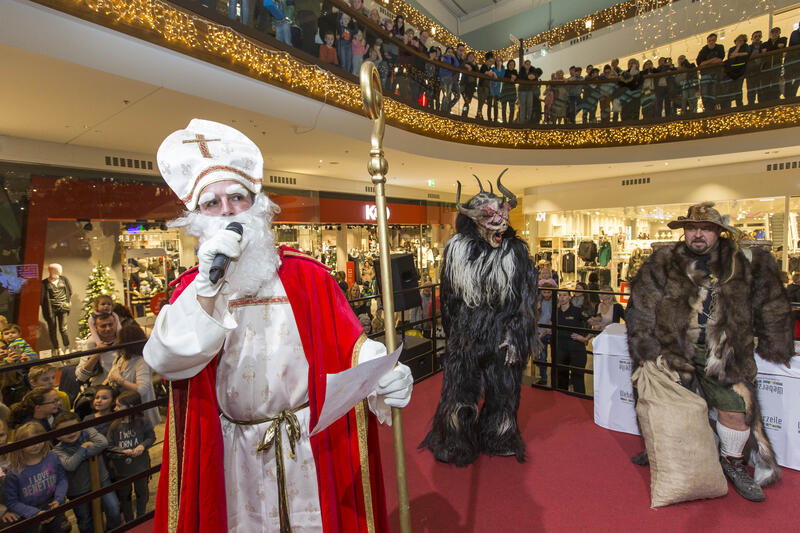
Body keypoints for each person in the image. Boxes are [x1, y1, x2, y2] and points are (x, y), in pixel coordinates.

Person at [144, 119, 412, 531]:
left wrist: (386, 371)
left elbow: (349, 344)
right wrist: (207, 285)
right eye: (211, 204)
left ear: (260, 205)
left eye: (238, 197)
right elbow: (167, 359)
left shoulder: (308, 276)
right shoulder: (191, 291)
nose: (228, 211)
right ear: (196, 218)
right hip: (234, 451)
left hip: (308, 442)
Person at [626, 202, 793, 502]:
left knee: (735, 409)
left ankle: (732, 462)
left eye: (705, 229)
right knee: (668, 405)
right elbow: (641, 304)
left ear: (719, 232)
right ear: (685, 232)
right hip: (673, 346)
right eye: (692, 228)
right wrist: (643, 345)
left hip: (724, 349)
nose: (697, 235)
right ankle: (663, 453)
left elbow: (770, 302)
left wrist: (774, 341)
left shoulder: (743, 261)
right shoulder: (663, 261)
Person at [421, 171, 537, 466]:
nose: (499, 230)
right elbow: (448, 301)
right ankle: (456, 440)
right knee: (460, 392)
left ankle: (499, 435)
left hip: (503, 332)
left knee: (504, 391)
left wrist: (517, 336)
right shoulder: (457, 251)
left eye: (502, 222)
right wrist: (456, 339)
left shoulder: (516, 253)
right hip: (467, 334)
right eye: (490, 222)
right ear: (474, 222)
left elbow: (525, 300)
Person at [52, 411, 121, 533]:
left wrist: (78, 456)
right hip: (78, 490)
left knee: (114, 509)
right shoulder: (57, 451)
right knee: (85, 521)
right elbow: (70, 465)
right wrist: (83, 449)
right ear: (57, 435)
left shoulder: (88, 432)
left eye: (74, 427)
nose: (71, 432)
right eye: (65, 431)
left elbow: (103, 443)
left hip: (102, 481)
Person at [3, 421, 68, 532]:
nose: (36, 445)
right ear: (19, 444)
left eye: (39, 440)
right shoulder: (14, 471)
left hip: (52, 505)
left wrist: (58, 499)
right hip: (27, 512)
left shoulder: (52, 457)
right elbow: (11, 501)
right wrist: (35, 513)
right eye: (30, 443)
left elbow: (62, 479)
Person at [106, 391, 154, 523]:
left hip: (140, 466)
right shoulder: (114, 425)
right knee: (124, 496)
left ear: (131, 406)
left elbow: (151, 437)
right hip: (122, 470)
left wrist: (142, 446)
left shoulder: (143, 421)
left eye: (118, 406)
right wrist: (122, 451)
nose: (115, 409)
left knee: (142, 493)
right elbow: (109, 446)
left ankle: (141, 517)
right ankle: (129, 521)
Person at [105, 324, 160, 428]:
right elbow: (110, 378)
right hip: (124, 410)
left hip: (139, 413)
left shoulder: (141, 362)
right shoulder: (121, 359)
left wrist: (120, 380)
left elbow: (142, 389)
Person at [554, 285, 590, 394]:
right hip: (561, 349)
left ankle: (581, 405)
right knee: (561, 378)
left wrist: (584, 339)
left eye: (565, 295)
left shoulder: (577, 311)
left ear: (570, 297)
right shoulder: (556, 312)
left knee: (577, 379)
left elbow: (594, 325)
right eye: (560, 295)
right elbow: (550, 326)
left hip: (576, 350)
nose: (562, 297)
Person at [75, 312, 119, 389]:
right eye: (103, 326)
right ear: (96, 327)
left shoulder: (124, 339)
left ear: (116, 324)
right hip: (100, 388)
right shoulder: (90, 343)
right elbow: (81, 377)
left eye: (110, 325)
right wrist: (96, 354)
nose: (108, 329)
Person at [40, 264, 72, 353]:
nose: (60, 272)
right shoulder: (44, 283)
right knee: (52, 329)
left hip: (63, 307)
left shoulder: (64, 279)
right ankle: (57, 348)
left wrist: (67, 302)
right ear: (52, 271)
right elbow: (42, 298)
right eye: (58, 270)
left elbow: (69, 291)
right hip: (51, 309)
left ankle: (67, 347)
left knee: (63, 328)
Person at [536, 279, 557, 385]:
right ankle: (543, 377)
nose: (547, 294)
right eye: (545, 292)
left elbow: (554, 317)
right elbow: (535, 316)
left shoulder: (555, 302)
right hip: (540, 331)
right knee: (541, 356)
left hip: (551, 331)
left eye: (549, 292)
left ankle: (555, 378)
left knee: (555, 356)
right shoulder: (539, 302)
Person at [696, 33, 726, 111]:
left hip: (716, 75)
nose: (711, 42)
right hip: (706, 76)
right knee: (706, 95)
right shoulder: (703, 50)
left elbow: (720, 59)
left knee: (715, 93)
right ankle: (708, 109)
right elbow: (700, 63)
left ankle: (715, 108)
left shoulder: (719, 47)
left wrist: (706, 62)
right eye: (710, 40)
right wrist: (713, 60)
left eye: (713, 40)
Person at [762, 27, 787, 101]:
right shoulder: (765, 43)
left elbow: (782, 45)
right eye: (773, 32)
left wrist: (769, 49)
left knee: (776, 81)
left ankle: (775, 97)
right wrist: (776, 47)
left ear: (779, 33)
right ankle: (766, 98)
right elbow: (763, 51)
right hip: (767, 65)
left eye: (776, 32)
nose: (774, 34)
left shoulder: (782, 39)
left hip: (776, 64)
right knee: (766, 82)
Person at [745, 30, 765, 105]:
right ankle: (751, 105)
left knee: (761, 90)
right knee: (751, 91)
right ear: (752, 38)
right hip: (751, 72)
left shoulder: (764, 46)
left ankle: (761, 104)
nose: (757, 38)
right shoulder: (748, 48)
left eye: (759, 36)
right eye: (755, 36)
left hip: (761, 71)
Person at [477, 52, 496, 121]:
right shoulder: (484, 66)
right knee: (481, 102)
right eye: (490, 61)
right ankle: (479, 115)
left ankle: (479, 114)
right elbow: (485, 72)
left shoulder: (490, 68)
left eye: (492, 62)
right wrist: (493, 73)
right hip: (482, 87)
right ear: (486, 60)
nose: (491, 63)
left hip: (486, 87)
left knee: (482, 102)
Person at [499, 59, 518, 124]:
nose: (511, 66)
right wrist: (511, 76)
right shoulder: (505, 71)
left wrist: (513, 77)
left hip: (512, 92)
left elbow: (516, 77)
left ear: (514, 66)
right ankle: (504, 122)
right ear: (508, 65)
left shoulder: (515, 71)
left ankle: (510, 122)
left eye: (513, 65)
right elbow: (506, 75)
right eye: (510, 64)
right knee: (503, 108)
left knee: (512, 109)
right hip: (505, 92)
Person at [786, 23, 800, 99]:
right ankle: (789, 96)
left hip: (797, 62)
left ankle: (792, 95)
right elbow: (796, 42)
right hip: (792, 61)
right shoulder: (795, 33)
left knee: (797, 80)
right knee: (789, 80)